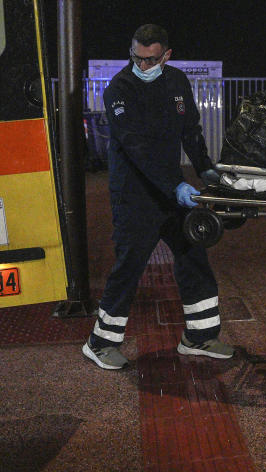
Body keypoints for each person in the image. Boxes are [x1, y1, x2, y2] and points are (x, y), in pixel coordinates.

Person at [83, 24, 231, 369]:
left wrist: (206, 168)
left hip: (171, 191)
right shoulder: (119, 89)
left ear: (167, 55)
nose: (143, 66)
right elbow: (137, 149)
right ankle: (100, 342)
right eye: (137, 57)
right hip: (134, 194)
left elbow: (190, 130)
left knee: (194, 257)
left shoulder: (177, 81)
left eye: (151, 59)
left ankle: (200, 337)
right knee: (129, 266)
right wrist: (176, 186)